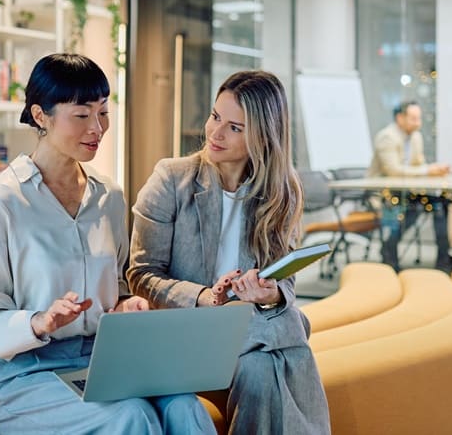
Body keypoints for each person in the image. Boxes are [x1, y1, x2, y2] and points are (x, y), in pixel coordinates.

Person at [0, 54, 213, 435]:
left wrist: (125, 305)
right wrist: (40, 321)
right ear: (41, 115)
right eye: (81, 115)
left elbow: (115, 289)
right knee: (131, 416)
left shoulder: (108, 197)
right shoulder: (1, 203)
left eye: (103, 113)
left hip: (100, 360)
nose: (97, 128)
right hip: (23, 373)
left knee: (185, 407)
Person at [128, 70, 331, 435]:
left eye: (234, 127)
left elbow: (284, 285)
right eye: (215, 116)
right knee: (290, 329)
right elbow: (140, 275)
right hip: (188, 327)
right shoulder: (171, 179)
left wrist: (269, 295)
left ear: (263, 136)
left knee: (261, 368)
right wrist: (204, 296)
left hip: (246, 332)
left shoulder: (281, 193)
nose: (215, 133)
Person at [367, 100, 452, 271]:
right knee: (415, 208)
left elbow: (418, 164)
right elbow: (393, 170)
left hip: (408, 191)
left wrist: (433, 170)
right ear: (400, 118)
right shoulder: (387, 137)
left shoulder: (415, 137)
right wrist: (427, 170)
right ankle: (389, 250)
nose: (418, 123)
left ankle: (443, 260)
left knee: (440, 203)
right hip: (386, 192)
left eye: (419, 118)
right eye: (414, 119)